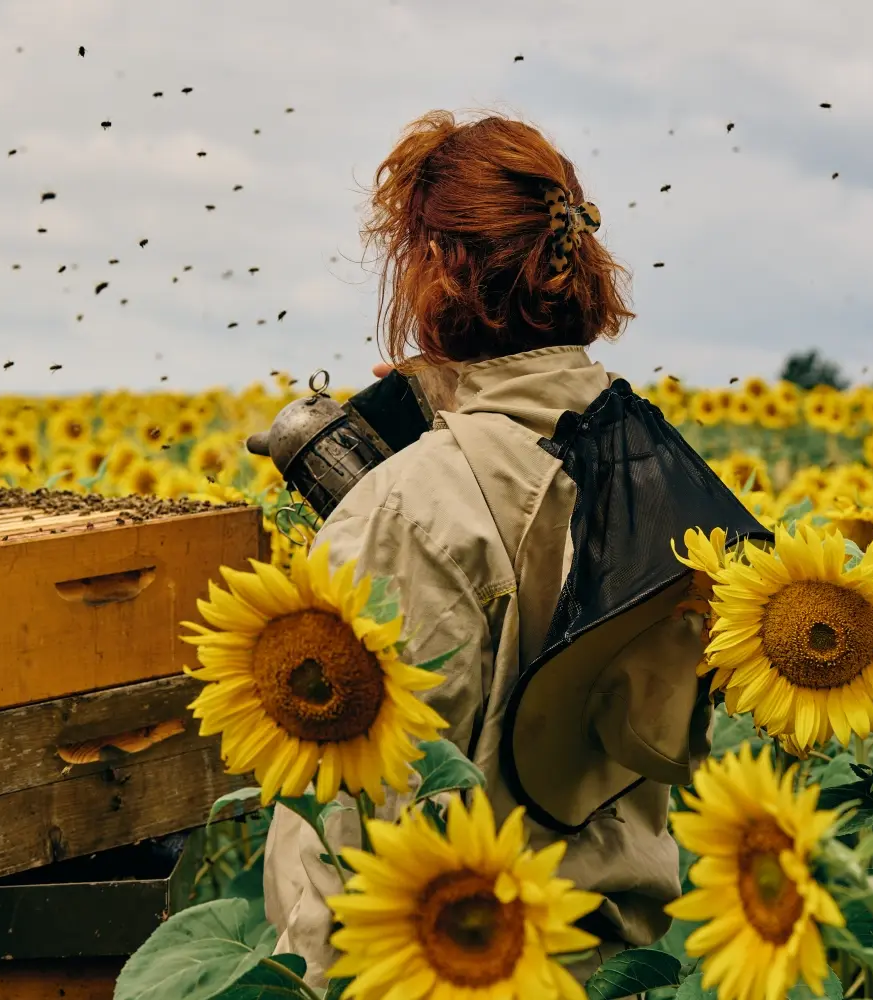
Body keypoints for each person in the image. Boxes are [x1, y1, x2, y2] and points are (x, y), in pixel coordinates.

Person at [261, 110, 715, 989]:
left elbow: (355, 824)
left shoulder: (405, 508)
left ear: (437, 269)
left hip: (452, 969)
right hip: (615, 965)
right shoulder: (660, 468)